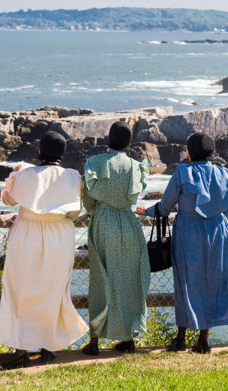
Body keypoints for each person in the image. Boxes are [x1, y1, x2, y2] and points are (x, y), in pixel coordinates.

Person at [139, 132, 228, 354]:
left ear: (190, 153)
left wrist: (148, 211)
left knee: (186, 284)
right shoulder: (223, 173)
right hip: (218, 233)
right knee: (213, 283)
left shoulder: (183, 172)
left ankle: (181, 339)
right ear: (212, 153)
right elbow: (227, 209)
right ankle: (203, 340)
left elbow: (164, 208)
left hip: (188, 234)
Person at [0, 131, 88, 368]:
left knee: (20, 291)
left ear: (40, 151)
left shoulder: (26, 175)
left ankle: (20, 352)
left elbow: (9, 200)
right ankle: (48, 347)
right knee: (53, 290)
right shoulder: (72, 177)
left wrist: (12, 179)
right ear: (62, 153)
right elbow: (75, 212)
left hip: (28, 235)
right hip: (59, 236)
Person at [80, 121, 150, 355]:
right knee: (129, 280)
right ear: (129, 142)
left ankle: (94, 340)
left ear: (109, 139)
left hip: (102, 222)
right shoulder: (136, 166)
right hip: (129, 223)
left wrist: (95, 209)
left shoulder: (95, 163)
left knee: (100, 280)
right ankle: (129, 337)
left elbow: (88, 201)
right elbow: (134, 195)